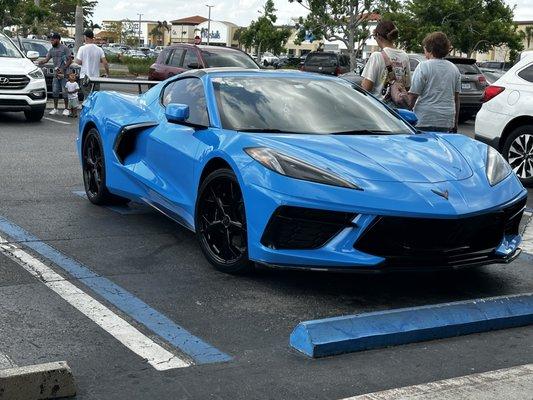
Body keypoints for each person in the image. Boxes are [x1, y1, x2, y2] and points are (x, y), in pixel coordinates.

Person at [407, 32, 461, 133]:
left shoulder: (424, 67)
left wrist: (405, 114)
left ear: (430, 49)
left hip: (424, 118)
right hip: (446, 120)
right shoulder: (454, 69)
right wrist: (455, 122)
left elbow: (413, 96)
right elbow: (456, 98)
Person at [361, 20, 411, 105]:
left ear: (378, 36)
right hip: (397, 111)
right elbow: (407, 86)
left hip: (380, 110)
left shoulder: (376, 56)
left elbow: (366, 87)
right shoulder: (404, 56)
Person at [39, 33, 72, 116]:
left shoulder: (65, 48)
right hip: (56, 74)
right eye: (51, 39)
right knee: (55, 91)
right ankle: (55, 108)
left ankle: (66, 109)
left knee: (65, 91)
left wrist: (63, 68)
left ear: (57, 39)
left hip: (64, 74)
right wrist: (40, 62)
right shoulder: (51, 50)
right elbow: (46, 59)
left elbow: (69, 60)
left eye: (53, 39)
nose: (51, 41)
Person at [75, 29, 109, 98]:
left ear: (86, 37)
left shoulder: (82, 48)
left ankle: (86, 108)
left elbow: (78, 62)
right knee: (95, 97)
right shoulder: (99, 49)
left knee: (87, 97)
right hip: (96, 78)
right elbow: (105, 63)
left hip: (84, 77)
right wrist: (107, 73)